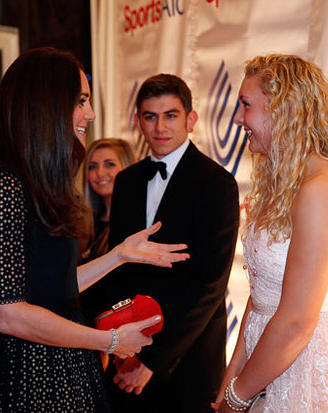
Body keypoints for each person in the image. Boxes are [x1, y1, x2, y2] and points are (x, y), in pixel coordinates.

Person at [0, 47, 189, 413]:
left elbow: (53, 288)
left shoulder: (34, 184)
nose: (91, 114)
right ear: (47, 105)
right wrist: (109, 340)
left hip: (69, 368)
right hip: (37, 376)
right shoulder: (3, 186)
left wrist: (118, 255)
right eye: (81, 101)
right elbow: (10, 313)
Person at [213, 54, 328, 413]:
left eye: (246, 106)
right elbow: (261, 294)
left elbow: (297, 321)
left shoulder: (321, 188)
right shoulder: (282, 186)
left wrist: (238, 395)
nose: (236, 119)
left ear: (285, 109)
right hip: (265, 363)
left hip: (304, 364)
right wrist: (229, 384)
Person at [89, 73, 240, 412]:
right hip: (127, 352)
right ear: (138, 121)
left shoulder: (217, 183)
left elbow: (209, 285)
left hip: (188, 356)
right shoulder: (126, 181)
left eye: (170, 115)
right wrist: (119, 345)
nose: (160, 127)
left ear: (191, 119)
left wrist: (153, 361)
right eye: (150, 117)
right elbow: (120, 271)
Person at [80, 138, 136, 262]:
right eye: (92, 167)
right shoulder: (83, 225)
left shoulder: (135, 223)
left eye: (109, 164)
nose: (100, 173)